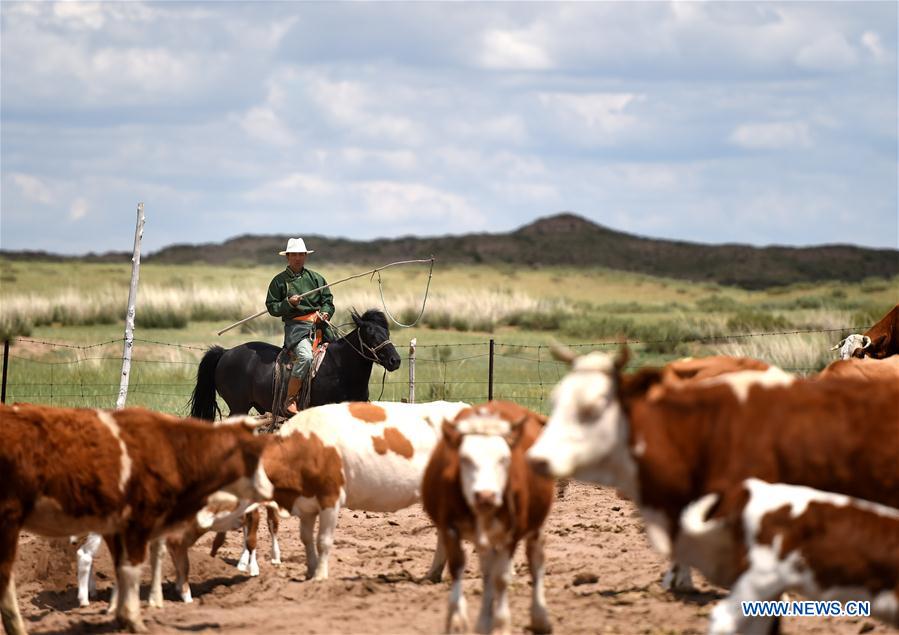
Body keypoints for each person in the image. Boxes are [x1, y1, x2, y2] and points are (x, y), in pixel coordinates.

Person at [266, 237, 335, 414]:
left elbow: (328, 301)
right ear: (287, 256)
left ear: (305, 256)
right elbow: (272, 307)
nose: (298, 257)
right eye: (294, 254)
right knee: (306, 357)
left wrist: (325, 313)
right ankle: (290, 400)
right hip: (296, 329)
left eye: (301, 254)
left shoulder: (317, 279)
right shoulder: (278, 281)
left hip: (321, 325)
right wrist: (289, 303)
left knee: (341, 353)